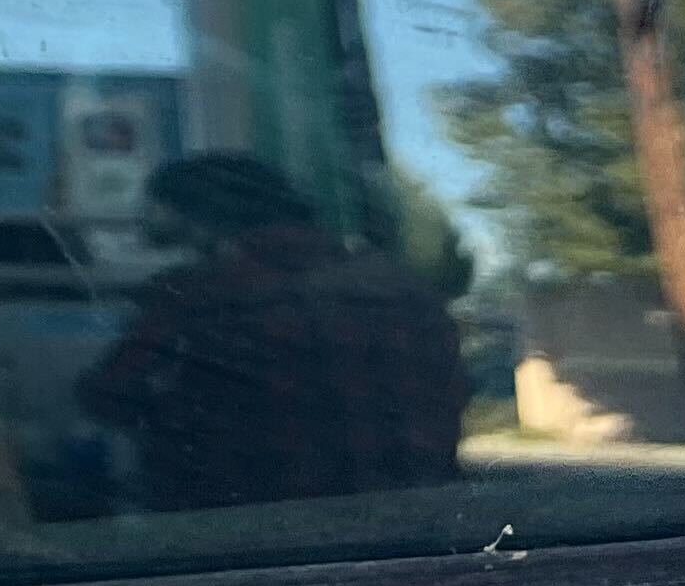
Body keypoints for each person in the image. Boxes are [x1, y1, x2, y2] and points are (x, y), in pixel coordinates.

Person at [74, 153, 467, 514]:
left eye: (156, 205)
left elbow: (109, 395)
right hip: (420, 530)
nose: (147, 216)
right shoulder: (405, 289)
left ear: (187, 211)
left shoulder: (199, 294)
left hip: (260, 536)